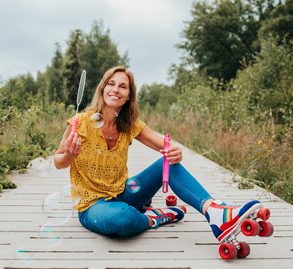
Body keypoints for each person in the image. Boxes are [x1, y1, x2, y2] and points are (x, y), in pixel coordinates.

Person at [53, 66, 266, 242]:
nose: (115, 89)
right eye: (111, 83)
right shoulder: (80, 122)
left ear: (128, 96)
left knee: (168, 164)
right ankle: (155, 217)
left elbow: (164, 146)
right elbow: (58, 162)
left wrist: (174, 151)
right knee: (123, 219)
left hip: (123, 192)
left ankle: (215, 212)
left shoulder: (129, 124)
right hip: (92, 206)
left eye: (122, 86)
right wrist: (69, 155)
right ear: (102, 89)